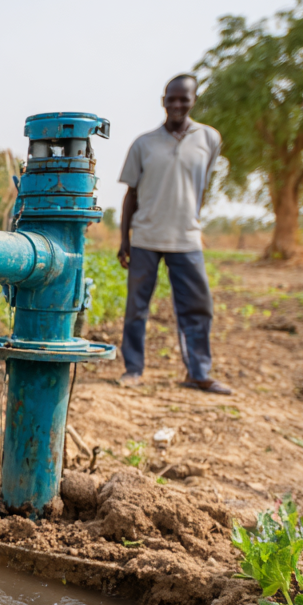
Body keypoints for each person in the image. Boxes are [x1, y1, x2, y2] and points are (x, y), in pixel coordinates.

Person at [116, 74, 232, 395]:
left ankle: (198, 372)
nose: (178, 104)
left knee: (197, 307)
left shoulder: (209, 139)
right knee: (137, 308)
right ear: (163, 101)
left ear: (194, 100)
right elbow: (131, 195)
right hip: (146, 238)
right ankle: (133, 369)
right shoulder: (144, 143)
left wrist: (193, 218)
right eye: (172, 98)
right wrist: (125, 239)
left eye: (185, 99)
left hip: (186, 238)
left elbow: (202, 187)